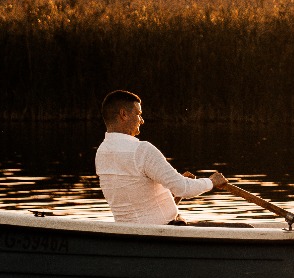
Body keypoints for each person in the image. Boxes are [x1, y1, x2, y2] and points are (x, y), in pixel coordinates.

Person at [94, 89, 225, 226]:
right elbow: (184, 188)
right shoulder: (142, 150)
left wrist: (170, 188)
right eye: (138, 114)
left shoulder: (101, 153)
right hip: (165, 232)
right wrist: (211, 182)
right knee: (243, 227)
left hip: (129, 234)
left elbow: (135, 192)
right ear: (124, 114)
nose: (142, 121)